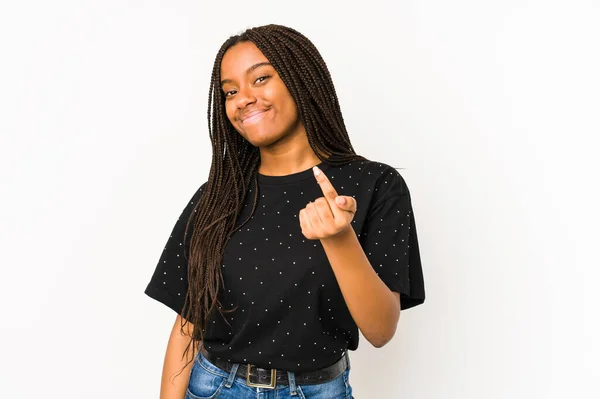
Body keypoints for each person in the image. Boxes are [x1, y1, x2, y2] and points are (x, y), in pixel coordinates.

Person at [145, 24, 426, 399]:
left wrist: (338, 238)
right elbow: (188, 322)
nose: (242, 99)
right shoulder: (217, 197)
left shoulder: (375, 185)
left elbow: (380, 330)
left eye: (260, 78)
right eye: (230, 91)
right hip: (215, 389)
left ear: (299, 79)